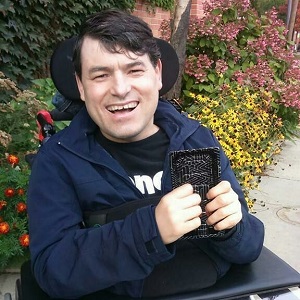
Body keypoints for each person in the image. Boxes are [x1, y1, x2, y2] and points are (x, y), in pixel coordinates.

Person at [27, 9, 264, 299]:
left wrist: (232, 228)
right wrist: (152, 229)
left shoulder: (195, 138)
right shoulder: (59, 160)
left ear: (157, 73)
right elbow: (53, 268)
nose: (120, 89)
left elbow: (251, 246)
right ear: (81, 86)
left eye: (134, 70)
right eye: (101, 75)